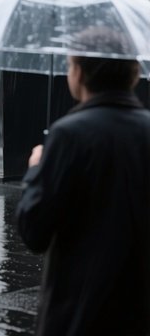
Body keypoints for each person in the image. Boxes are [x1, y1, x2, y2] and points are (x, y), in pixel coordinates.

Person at [16, 28, 150, 336]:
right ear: (132, 73)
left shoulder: (69, 134)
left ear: (79, 72)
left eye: (69, 65)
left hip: (80, 311)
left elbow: (34, 232)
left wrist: (35, 170)